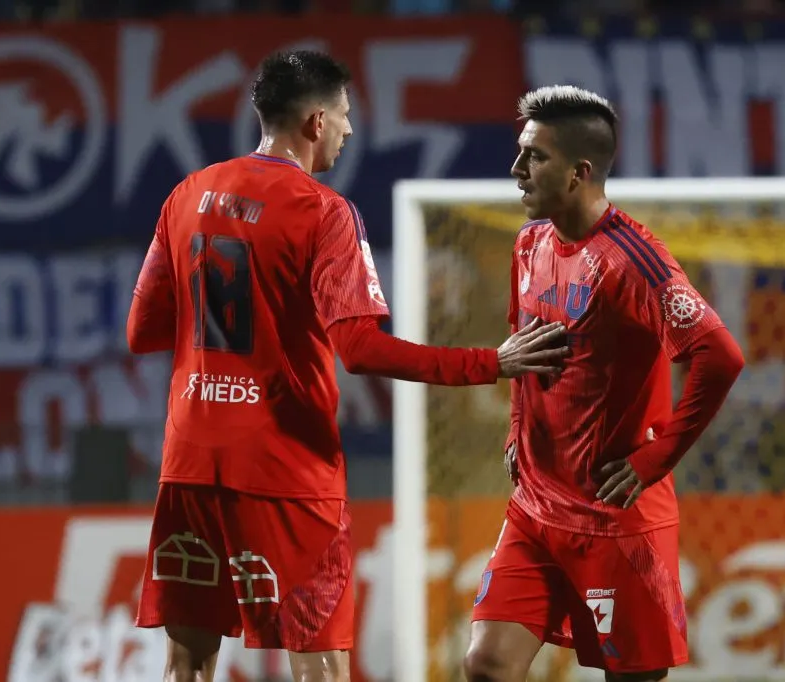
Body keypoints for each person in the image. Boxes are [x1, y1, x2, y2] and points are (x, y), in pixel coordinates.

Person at [126, 51, 570, 682]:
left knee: (187, 663)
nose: (349, 129)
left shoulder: (187, 195)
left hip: (191, 461)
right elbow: (360, 351)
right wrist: (489, 362)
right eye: (344, 114)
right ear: (314, 121)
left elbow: (141, 331)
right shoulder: (322, 211)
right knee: (320, 667)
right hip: (287, 470)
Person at [464, 85, 745, 682]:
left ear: (579, 171)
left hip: (616, 518)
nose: (516, 171)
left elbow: (720, 355)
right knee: (487, 664)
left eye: (533, 157)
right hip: (536, 507)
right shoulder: (529, 244)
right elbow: (522, 347)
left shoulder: (632, 260)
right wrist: (518, 424)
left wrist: (656, 459)